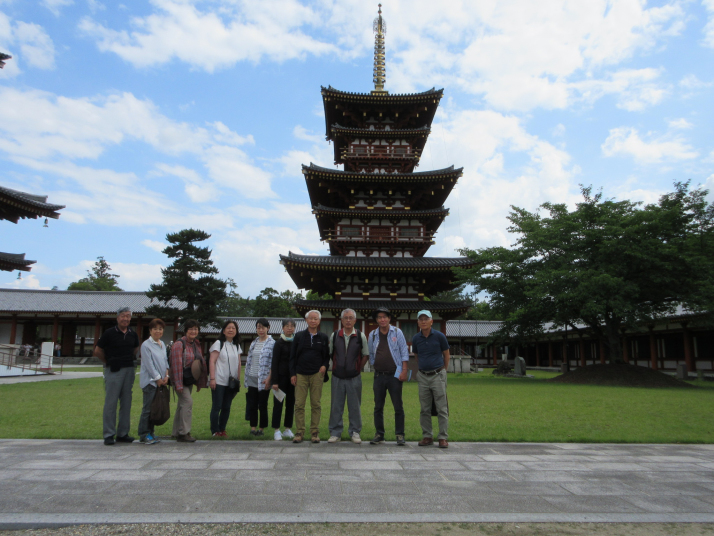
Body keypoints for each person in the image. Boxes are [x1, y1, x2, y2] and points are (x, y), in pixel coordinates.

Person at [94, 307, 140, 446]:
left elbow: (135, 349)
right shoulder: (109, 333)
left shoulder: (133, 334)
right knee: (111, 402)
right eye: (123, 316)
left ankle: (123, 433)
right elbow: (97, 350)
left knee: (126, 402)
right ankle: (109, 434)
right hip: (114, 370)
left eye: (128, 316)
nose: (125, 319)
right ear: (118, 318)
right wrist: (108, 361)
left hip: (129, 370)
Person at [367, 307, 409, 446]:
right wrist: (375, 364)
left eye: (385, 317)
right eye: (379, 317)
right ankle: (379, 434)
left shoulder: (397, 332)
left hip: (394, 375)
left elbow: (404, 352)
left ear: (389, 318)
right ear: (376, 320)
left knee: (398, 406)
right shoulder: (373, 334)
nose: (382, 319)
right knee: (378, 406)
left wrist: (404, 370)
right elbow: (371, 353)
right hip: (379, 375)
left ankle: (400, 434)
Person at [327, 309, 369, 444]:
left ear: (355, 320)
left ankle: (355, 432)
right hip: (337, 377)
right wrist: (338, 366)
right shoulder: (335, 335)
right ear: (342, 320)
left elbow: (365, 355)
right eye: (346, 318)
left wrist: (357, 368)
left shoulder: (360, 336)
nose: (348, 320)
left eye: (351, 318)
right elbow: (331, 353)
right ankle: (335, 432)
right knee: (336, 406)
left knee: (354, 406)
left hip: (354, 377)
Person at [289, 310, 330, 444]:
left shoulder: (323, 337)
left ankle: (314, 432)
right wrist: (293, 373)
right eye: (311, 318)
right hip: (301, 374)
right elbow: (292, 356)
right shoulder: (299, 336)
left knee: (316, 404)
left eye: (316, 319)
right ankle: (299, 432)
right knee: (299, 404)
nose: (313, 321)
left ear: (319, 321)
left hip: (316, 374)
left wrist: (324, 366)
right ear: (306, 320)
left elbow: (326, 356)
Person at [412, 310, 450, 448]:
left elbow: (446, 354)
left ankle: (443, 437)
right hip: (423, 376)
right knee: (424, 408)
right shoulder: (416, 338)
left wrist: (443, 370)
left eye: (426, 319)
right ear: (418, 322)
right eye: (421, 319)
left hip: (438, 374)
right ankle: (427, 436)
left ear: (431, 321)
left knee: (441, 407)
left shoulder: (439, 336)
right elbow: (417, 356)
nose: (423, 321)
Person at [169, 319, 207, 443]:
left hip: (189, 379)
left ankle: (176, 432)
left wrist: (199, 382)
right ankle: (184, 433)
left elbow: (199, 363)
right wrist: (178, 384)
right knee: (187, 402)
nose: (193, 331)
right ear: (185, 330)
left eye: (195, 329)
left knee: (182, 405)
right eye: (191, 329)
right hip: (180, 379)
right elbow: (176, 365)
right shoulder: (179, 344)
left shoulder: (195, 344)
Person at [138, 318, 169, 444]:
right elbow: (149, 365)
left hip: (160, 382)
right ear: (150, 330)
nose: (158, 331)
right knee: (147, 409)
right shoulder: (146, 345)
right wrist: (157, 379)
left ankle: (151, 432)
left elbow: (165, 361)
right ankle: (144, 434)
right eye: (155, 329)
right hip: (150, 382)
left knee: (155, 408)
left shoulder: (162, 344)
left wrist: (166, 376)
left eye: (160, 329)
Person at [208, 320, 242, 437]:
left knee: (227, 407)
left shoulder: (236, 345)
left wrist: (238, 379)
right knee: (217, 406)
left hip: (231, 382)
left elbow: (238, 363)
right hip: (219, 381)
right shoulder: (219, 343)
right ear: (223, 331)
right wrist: (212, 379)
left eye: (233, 328)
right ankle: (215, 431)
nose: (231, 330)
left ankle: (222, 429)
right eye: (228, 328)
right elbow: (212, 361)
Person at [244, 318, 275, 436]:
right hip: (252, 377)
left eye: (263, 327)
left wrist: (269, 378)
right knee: (252, 404)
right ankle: (253, 427)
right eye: (258, 327)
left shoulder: (272, 343)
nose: (261, 330)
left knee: (262, 404)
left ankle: (261, 428)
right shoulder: (254, 342)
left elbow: (273, 362)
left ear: (268, 328)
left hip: (264, 378)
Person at [269, 319, 297, 441]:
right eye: (287, 326)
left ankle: (287, 428)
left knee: (290, 404)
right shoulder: (279, 343)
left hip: (293, 378)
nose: (289, 328)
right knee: (278, 404)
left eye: (292, 326)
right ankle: (276, 430)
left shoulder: (296, 342)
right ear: (283, 328)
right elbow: (274, 362)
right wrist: (274, 381)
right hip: (280, 378)